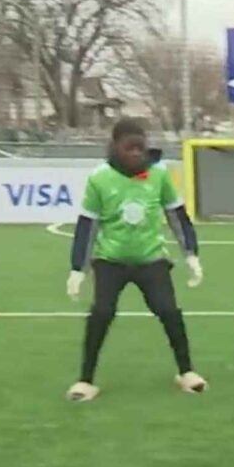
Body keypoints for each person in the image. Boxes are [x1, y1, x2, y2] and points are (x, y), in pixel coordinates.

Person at [65, 119, 208, 402]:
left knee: (168, 311)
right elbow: (88, 225)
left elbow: (177, 217)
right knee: (101, 313)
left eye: (139, 148)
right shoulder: (99, 178)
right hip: (110, 260)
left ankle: (187, 372)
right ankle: (85, 380)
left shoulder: (159, 174)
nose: (135, 154)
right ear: (115, 147)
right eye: (128, 148)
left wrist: (191, 254)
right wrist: (78, 268)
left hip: (151, 259)